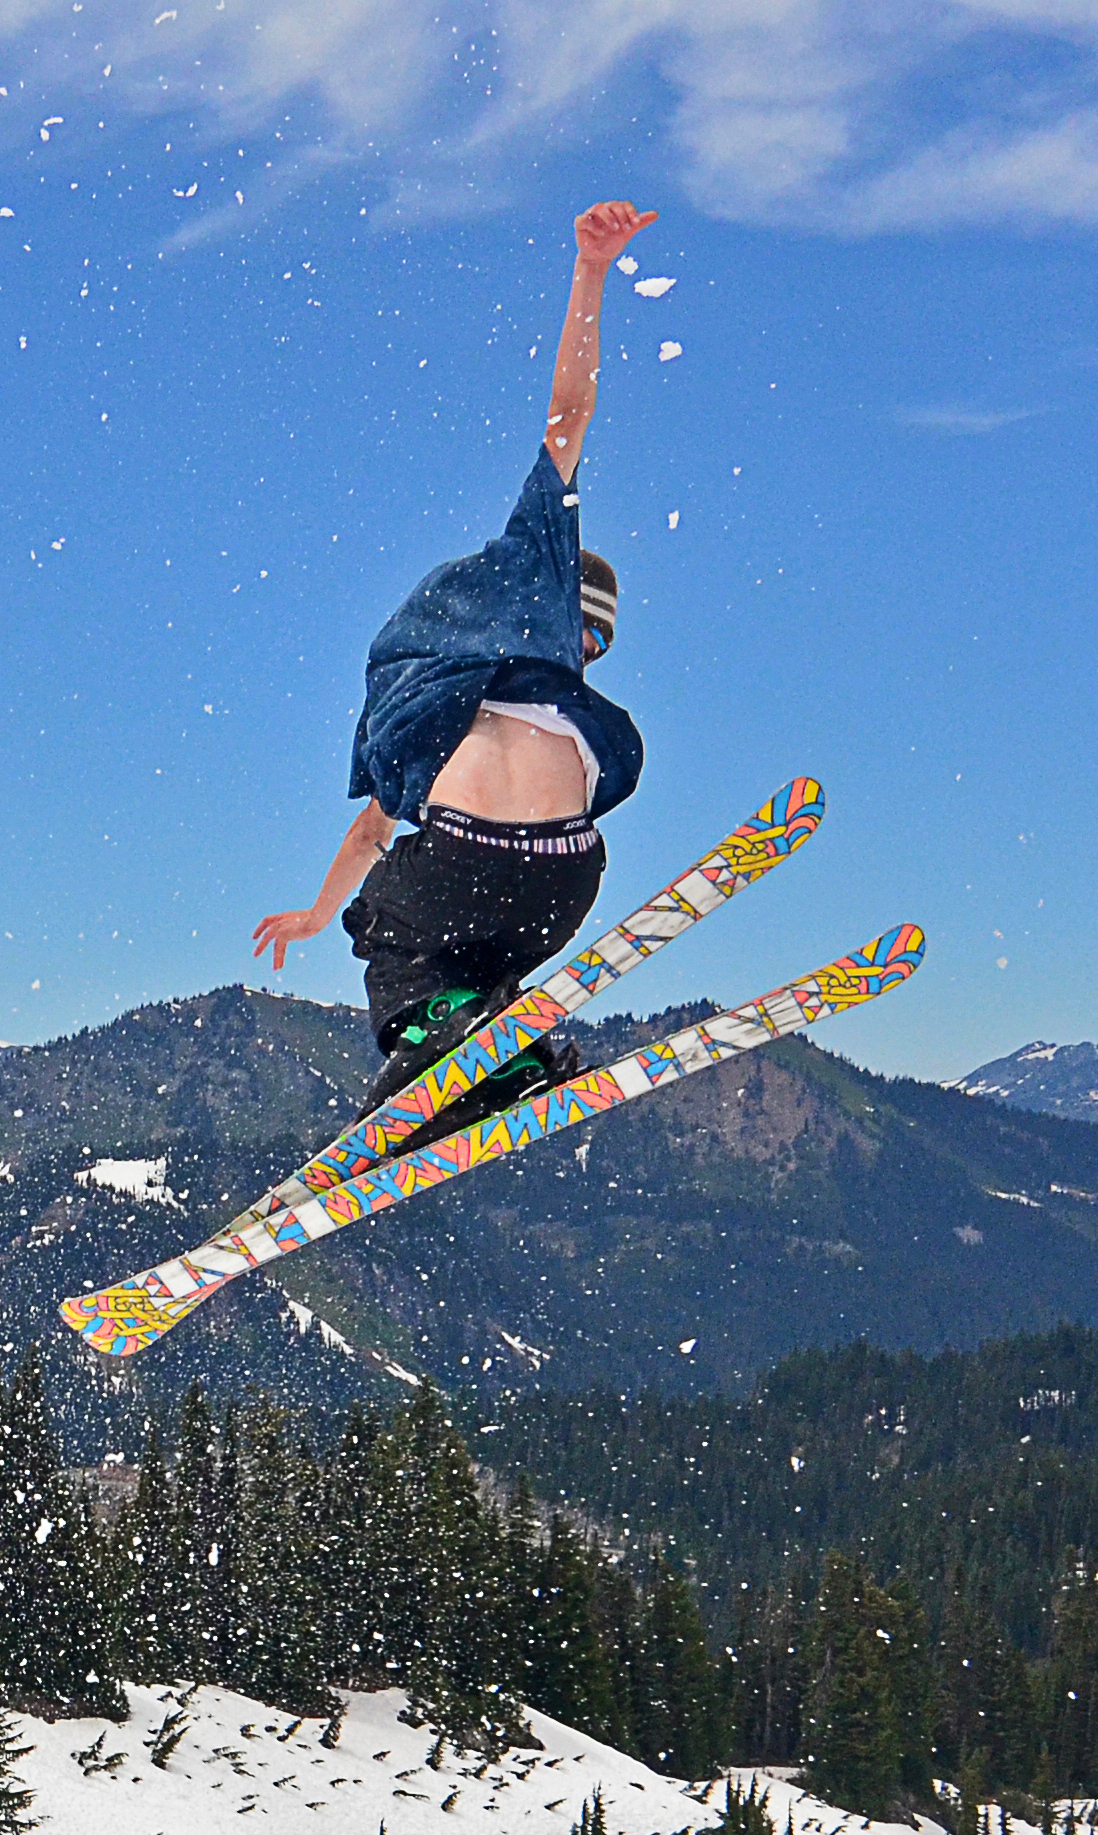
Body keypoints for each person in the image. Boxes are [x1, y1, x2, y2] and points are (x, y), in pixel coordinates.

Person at [253, 199, 658, 1140]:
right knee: (472, 971)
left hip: (464, 866)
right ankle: (512, 1052)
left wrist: (322, 918)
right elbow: (574, 415)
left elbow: (369, 834)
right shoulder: (573, 694)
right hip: (567, 885)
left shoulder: (450, 695)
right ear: (592, 639)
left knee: (387, 927)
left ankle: (440, 1035)